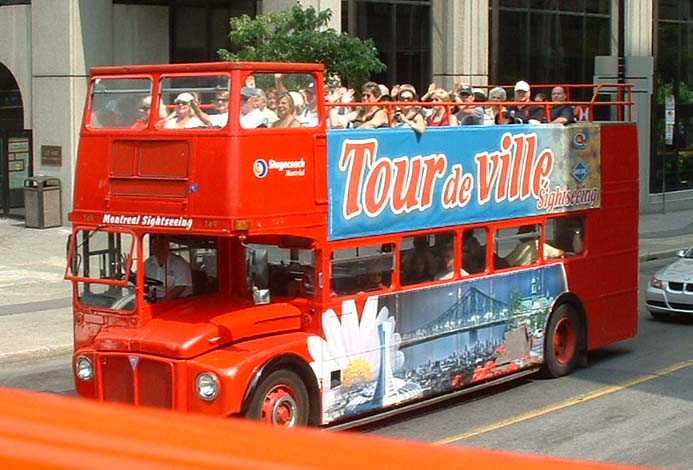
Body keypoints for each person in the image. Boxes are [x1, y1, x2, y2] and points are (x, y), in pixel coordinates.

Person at [144, 235, 193, 302]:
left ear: (166, 246)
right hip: (153, 299)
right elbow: (138, 278)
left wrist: (162, 303)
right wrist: (128, 270)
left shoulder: (179, 263)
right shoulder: (148, 262)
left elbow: (180, 288)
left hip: (177, 302)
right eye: (154, 246)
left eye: (160, 246)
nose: (156, 249)